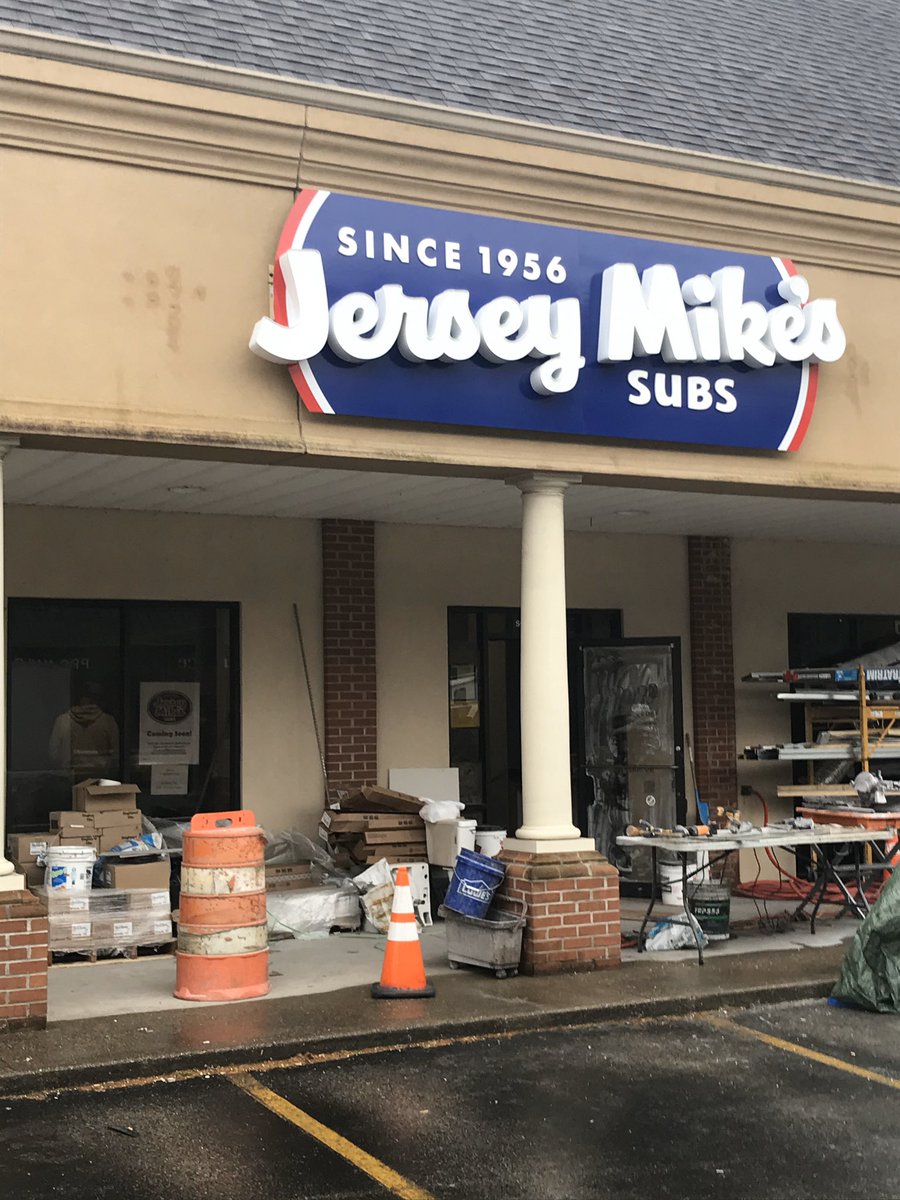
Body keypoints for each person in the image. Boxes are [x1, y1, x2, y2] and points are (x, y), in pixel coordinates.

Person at [49, 682, 120, 779]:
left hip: (69, 778)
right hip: (100, 779)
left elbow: (54, 755)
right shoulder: (108, 721)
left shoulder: (62, 720)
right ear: (97, 699)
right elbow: (116, 756)